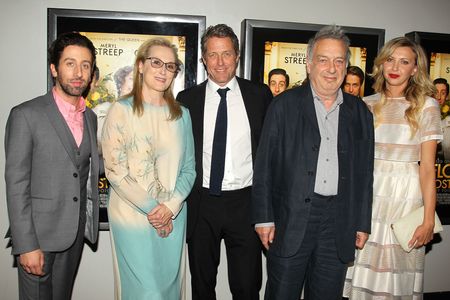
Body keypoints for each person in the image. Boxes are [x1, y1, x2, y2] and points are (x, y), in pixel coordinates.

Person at [251, 25, 374, 300]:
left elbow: (365, 174)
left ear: (346, 66)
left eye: (339, 60)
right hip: (290, 219)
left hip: (339, 223)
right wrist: (263, 217)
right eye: (323, 60)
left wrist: (362, 222)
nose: (331, 68)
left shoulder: (360, 114)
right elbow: (264, 167)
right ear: (309, 64)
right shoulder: (283, 106)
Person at [177, 24, 272, 300]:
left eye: (227, 54)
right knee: (202, 284)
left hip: (246, 204)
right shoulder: (186, 100)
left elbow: (270, 155)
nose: (220, 62)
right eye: (213, 55)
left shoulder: (259, 95)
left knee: (246, 285)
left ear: (237, 56)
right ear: (204, 59)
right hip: (201, 203)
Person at [4, 32, 100, 300]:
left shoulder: (90, 118)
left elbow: (84, 169)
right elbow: (16, 185)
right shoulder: (26, 115)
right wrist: (26, 245)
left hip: (74, 236)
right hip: (38, 239)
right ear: (54, 69)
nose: (78, 72)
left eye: (85, 65)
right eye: (70, 63)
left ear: (92, 72)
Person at [344, 37, 442, 298]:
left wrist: (428, 218)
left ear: (415, 69)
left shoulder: (427, 106)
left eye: (404, 61)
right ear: (381, 64)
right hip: (370, 194)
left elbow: (428, 169)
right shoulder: (366, 104)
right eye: (390, 59)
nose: (395, 66)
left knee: (395, 272)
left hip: (405, 197)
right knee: (363, 267)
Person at [101, 37, 195, 300]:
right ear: (141, 66)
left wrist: (170, 207)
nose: (163, 70)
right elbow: (115, 170)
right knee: (146, 292)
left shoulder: (182, 114)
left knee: (168, 291)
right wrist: (154, 210)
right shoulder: (120, 111)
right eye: (156, 62)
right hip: (133, 217)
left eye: (170, 65)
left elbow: (189, 169)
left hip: (173, 215)